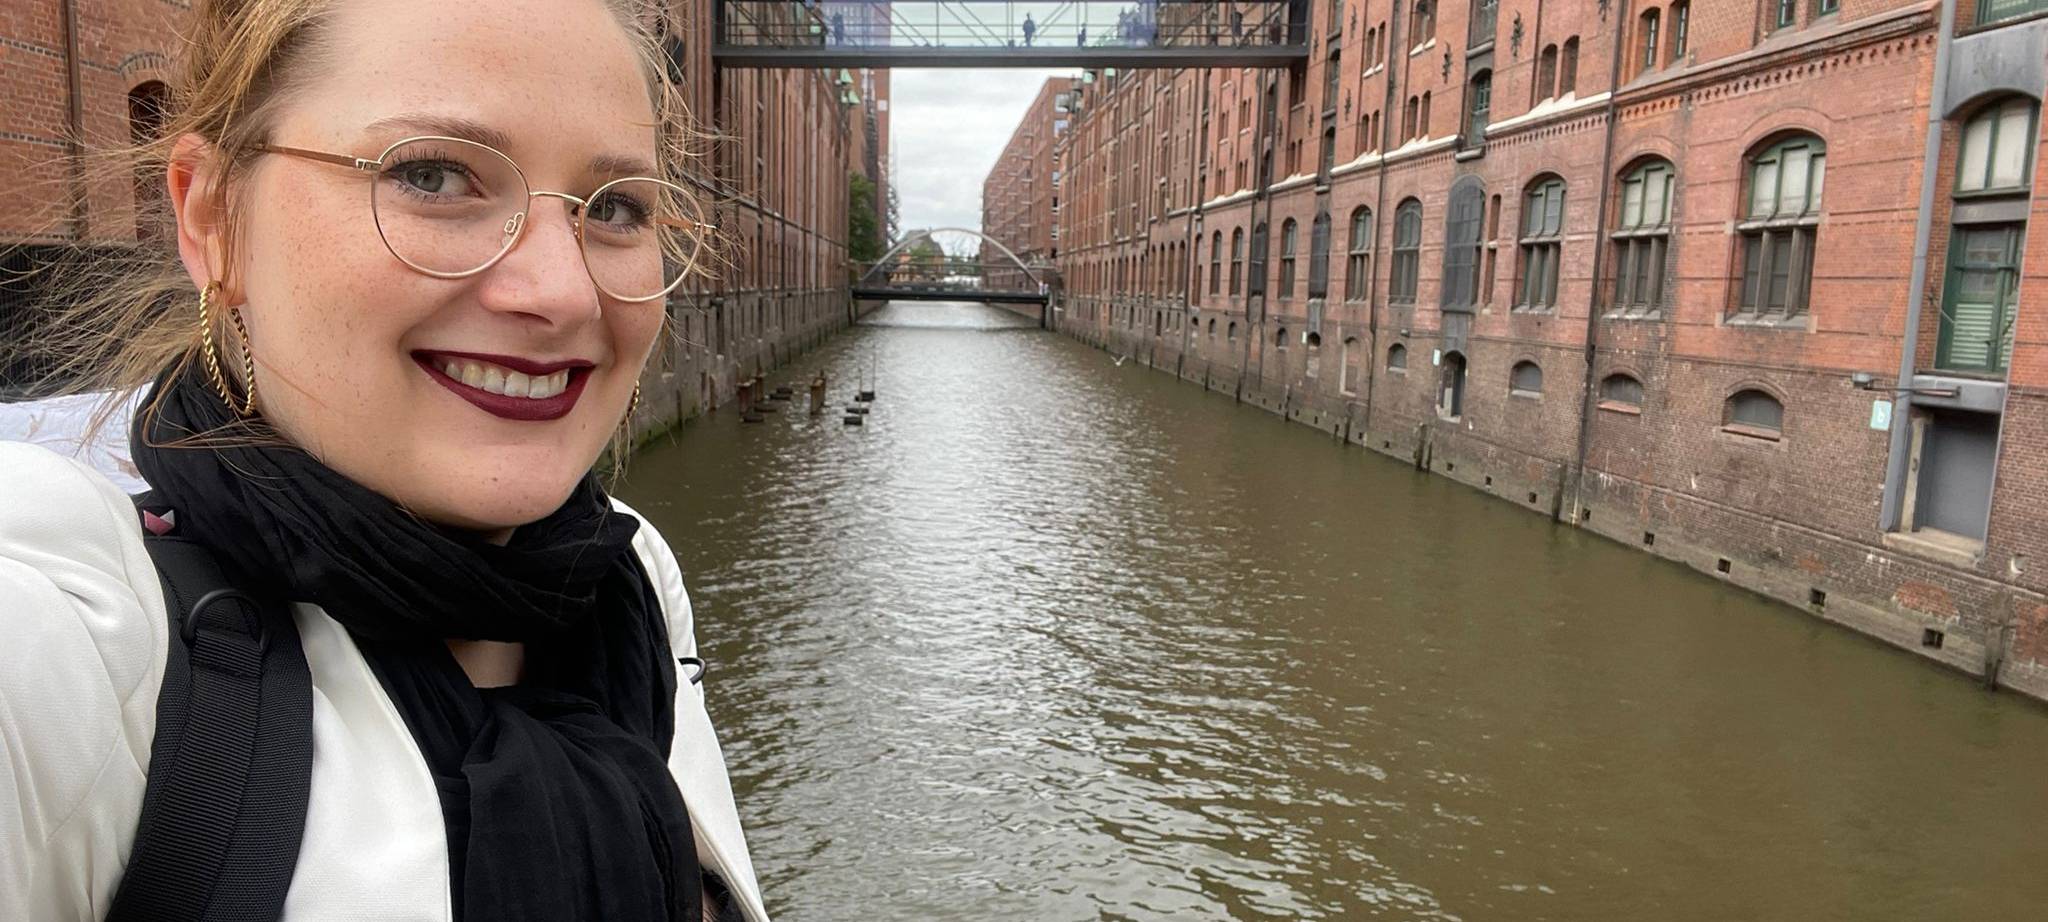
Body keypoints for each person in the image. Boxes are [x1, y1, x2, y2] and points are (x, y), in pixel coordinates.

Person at [0, 0, 769, 920]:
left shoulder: (629, 576)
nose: (565, 293)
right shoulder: (79, 646)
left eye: (615, 208)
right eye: (433, 176)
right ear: (213, 219)